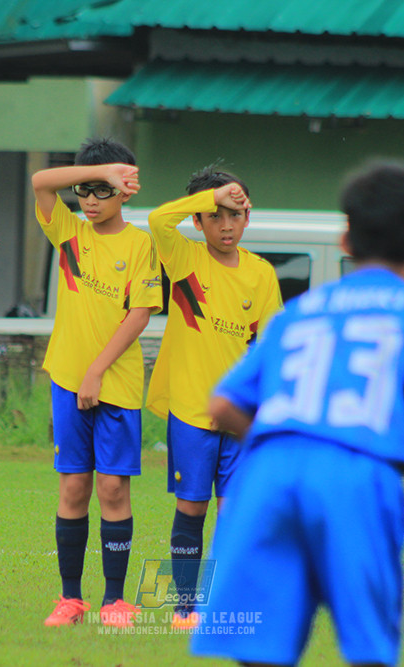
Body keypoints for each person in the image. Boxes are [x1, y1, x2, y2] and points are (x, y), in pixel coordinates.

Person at [190, 160, 404, 666]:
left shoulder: (299, 312)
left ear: (345, 241)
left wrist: (286, 441)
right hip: (355, 473)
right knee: (369, 650)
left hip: (265, 473)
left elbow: (222, 405)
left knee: (260, 653)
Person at [31, 138, 163, 628]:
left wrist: (98, 369)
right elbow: (40, 183)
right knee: (73, 488)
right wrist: (99, 169)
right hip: (67, 378)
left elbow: (142, 311)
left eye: (101, 191)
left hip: (116, 384)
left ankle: (115, 601)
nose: (89, 200)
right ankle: (70, 600)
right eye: (83, 190)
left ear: (124, 193)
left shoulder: (141, 243)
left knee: (112, 489)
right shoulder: (68, 233)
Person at [145, 165, 282, 629]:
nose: (226, 225)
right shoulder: (184, 260)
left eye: (235, 214)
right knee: (192, 508)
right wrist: (208, 195)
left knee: (237, 510)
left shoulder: (262, 274)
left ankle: (226, 601)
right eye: (215, 214)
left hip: (241, 418)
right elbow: (159, 219)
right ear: (200, 221)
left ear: (248, 219)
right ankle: (185, 606)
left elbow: (269, 348)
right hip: (191, 412)